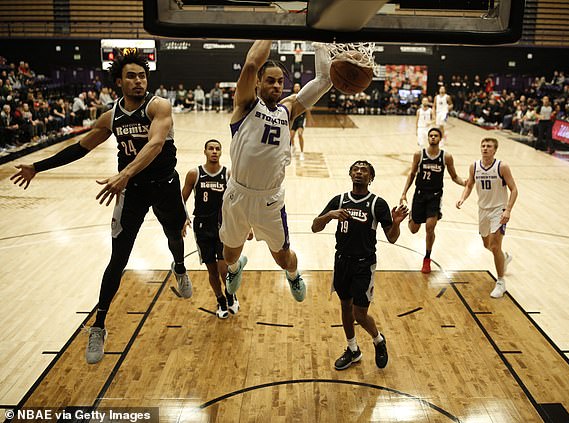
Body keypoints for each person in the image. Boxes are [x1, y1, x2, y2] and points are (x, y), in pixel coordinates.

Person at [10, 51, 192, 364]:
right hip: (131, 192)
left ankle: (179, 268)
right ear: (118, 81)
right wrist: (38, 167)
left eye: (142, 76)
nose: (138, 81)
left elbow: (155, 145)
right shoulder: (110, 117)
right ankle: (99, 325)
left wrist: (123, 173)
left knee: (175, 234)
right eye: (131, 76)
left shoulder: (158, 106)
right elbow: (80, 148)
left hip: (163, 186)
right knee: (117, 259)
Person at [219, 40, 333, 302]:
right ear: (258, 83)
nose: (276, 86)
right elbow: (250, 64)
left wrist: (320, 45)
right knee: (229, 256)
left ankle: (293, 275)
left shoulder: (289, 109)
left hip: (269, 199)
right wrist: (273, 26)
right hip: (237, 194)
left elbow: (324, 80)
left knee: (282, 257)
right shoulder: (246, 104)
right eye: (270, 81)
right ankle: (236, 268)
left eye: (280, 81)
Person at [311, 160, 408, 370]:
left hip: (364, 265)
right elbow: (314, 227)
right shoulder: (340, 200)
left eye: (364, 170)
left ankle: (378, 340)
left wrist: (397, 223)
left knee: (359, 314)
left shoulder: (377, 204)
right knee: (345, 306)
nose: (359, 172)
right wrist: (329, 216)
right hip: (341, 262)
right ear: (350, 174)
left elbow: (391, 238)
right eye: (356, 169)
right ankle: (353, 349)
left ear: (371, 178)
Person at [181, 139, 238, 319]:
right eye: (211, 149)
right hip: (202, 227)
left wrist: (245, 225)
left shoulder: (227, 174)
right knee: (212, 271)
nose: (214, 151)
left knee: (223, 269)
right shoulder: (194, 174)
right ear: (205, 151)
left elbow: (237, 202)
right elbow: (181, 199)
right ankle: (220, 299)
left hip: (222, 227)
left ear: (221, 153)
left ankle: (230, 294)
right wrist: (183, 218)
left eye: (217, 149)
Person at [456, 137, 518, 298]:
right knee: (487, 245)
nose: (485, 148)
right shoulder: (474, 166)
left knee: (495, 246)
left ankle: (501, 281)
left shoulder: (502, 166)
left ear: (495, 150)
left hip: (499, 209)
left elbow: (514, 189)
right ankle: (504, 258)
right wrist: (463, 198)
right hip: (482, 210)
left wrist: (508, 210)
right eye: (483, 145)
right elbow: (469, 184)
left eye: (489, 146)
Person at [400, 127, 465, 273]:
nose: (433, 137)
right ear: (428, 138)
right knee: (413, 230)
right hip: (419, 194)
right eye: (431, 135)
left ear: (440, 138)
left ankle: (427, 258)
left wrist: (464, 183)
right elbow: (411, 174)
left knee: (430, 227)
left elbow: (454, 176)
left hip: (435, 196)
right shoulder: (419, 154)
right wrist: (404, 193)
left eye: (436, 135)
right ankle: (412, 216)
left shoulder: (446, 157)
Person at [289, 82, 307, 161]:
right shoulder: (291, 97)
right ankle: (293, 147)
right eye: (295, 86)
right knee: (291, 136)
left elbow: (307, 107)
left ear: (300, 88)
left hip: (301, 118)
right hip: (294, 118)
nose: (296, 88)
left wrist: (309, 118)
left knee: (300, 134)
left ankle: (302, 152)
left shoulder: (303, 96)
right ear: (293, 88)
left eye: (298, 86)